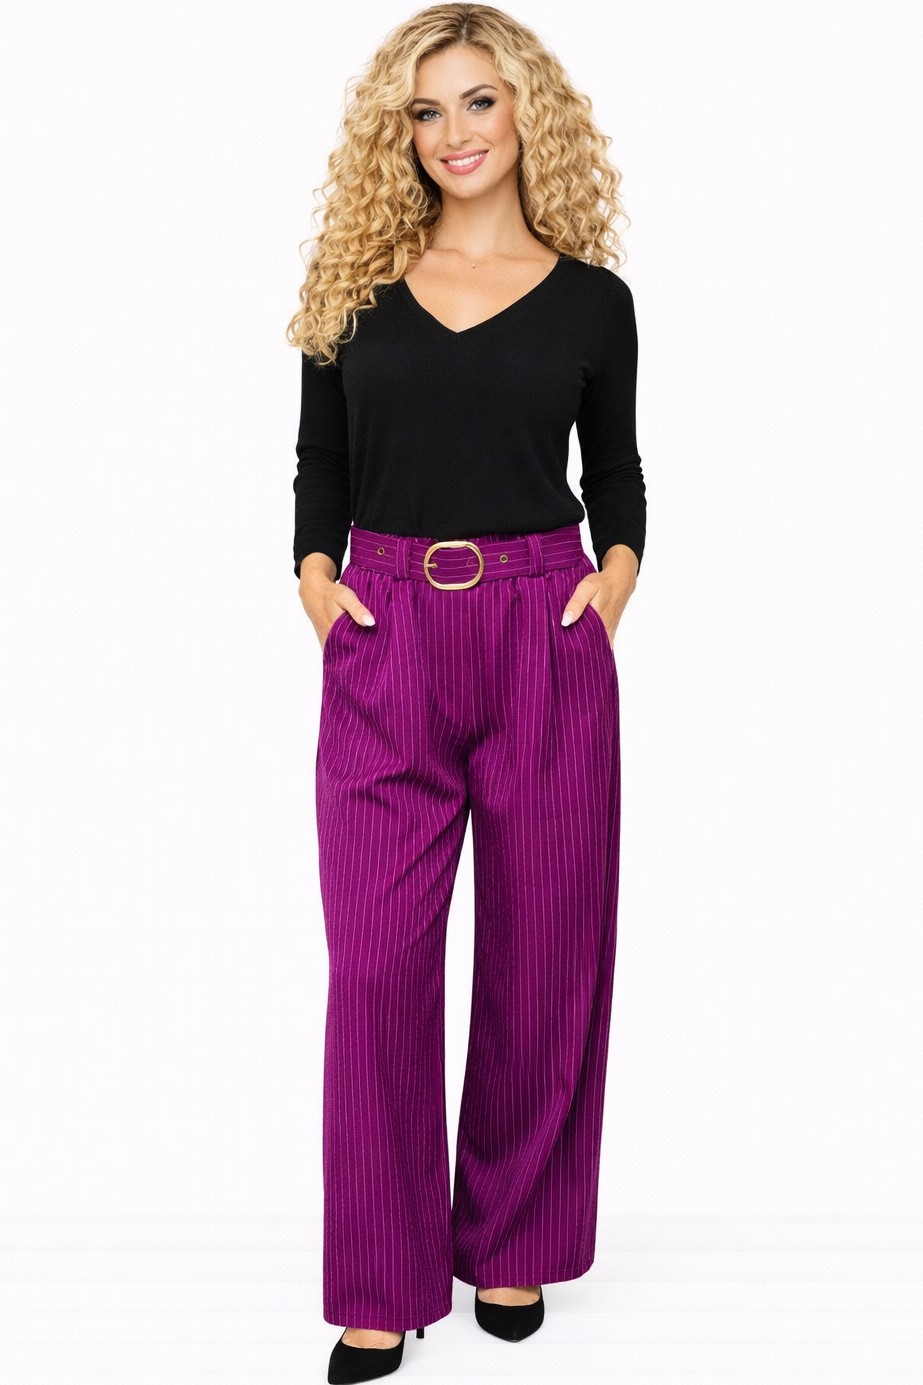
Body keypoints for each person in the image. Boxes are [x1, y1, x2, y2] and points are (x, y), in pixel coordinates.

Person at [286, 6, 646, 1381]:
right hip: (386, 632)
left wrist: (615, 578)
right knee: (377, 967)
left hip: (544, 626)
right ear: (402, 135)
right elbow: (319, 460)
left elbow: (616, 469)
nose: (455, 133)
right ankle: (381, 1274)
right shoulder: (355, 290)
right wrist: (316, 577)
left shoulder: (593, 302)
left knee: (544, 952)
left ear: (526, 112)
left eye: (479, 101)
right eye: (427, 111)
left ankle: (512, 1240)